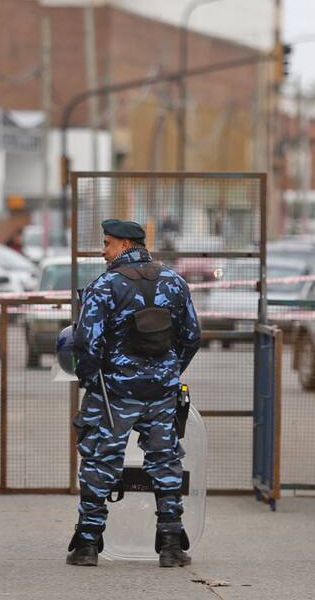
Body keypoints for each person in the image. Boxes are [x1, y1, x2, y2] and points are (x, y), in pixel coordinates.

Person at [66, 219, 202, 568]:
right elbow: (192, 336)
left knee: (99, 462)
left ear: (126, 244)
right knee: (166, 462)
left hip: (115, 393)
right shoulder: (174, 281)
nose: (103, 249)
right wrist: (170, 371)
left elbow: (86, 342)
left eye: (107, 243)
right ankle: (171, 544)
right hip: (161, 393)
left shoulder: (105, 286)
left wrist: (92, 381)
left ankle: (88, 544)